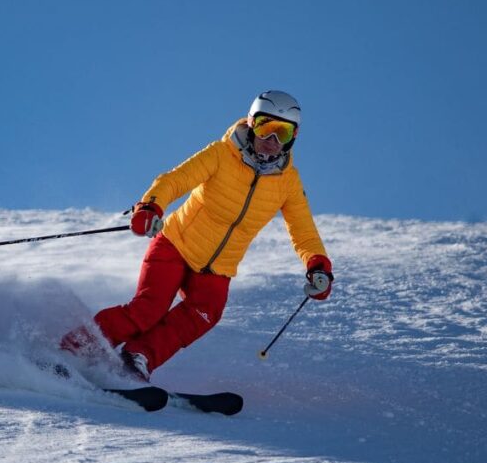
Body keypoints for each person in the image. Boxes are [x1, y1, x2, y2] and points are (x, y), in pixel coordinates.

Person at [61, 90, 333, 381]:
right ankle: (74, 349)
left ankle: (138, 357)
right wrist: (150, 207)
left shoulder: (288, 182)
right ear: (252, 123)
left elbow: (303, 229)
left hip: (218, 269)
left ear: (294, 137)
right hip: (176, 245)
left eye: (283, 132)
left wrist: (318, 265)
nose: (272, 140)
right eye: (266, 127)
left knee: (205, 313)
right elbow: (175, 180)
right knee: (148, 309)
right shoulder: (221, 154)